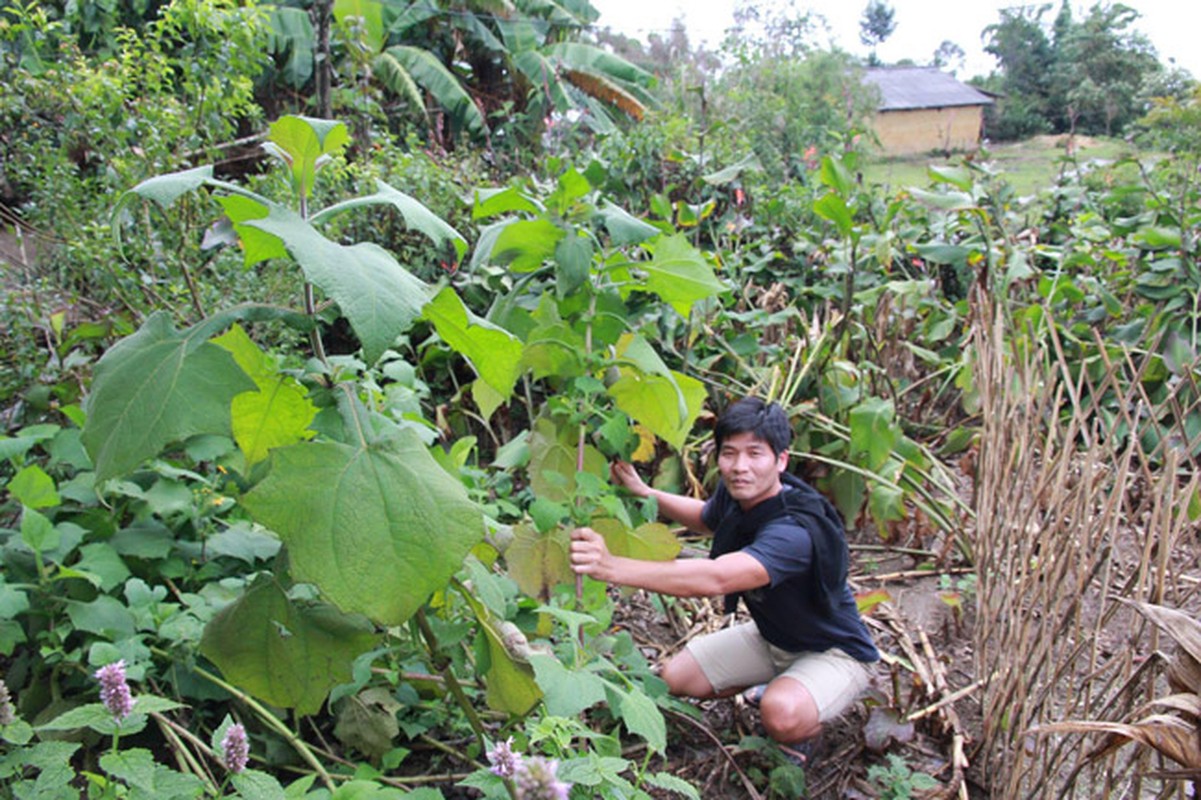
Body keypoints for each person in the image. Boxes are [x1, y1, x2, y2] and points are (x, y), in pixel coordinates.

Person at [569, 397, 878, 754]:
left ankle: (803, 731)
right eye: (729, 453)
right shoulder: (740, 497)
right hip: (773, 638)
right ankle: (785, 682)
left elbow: (717, 578)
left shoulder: (795, 530)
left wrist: (612, 567)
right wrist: (647, 492)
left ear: (781, 460)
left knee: (780, 714)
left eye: (754, 454)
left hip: (833, 652)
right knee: (675, 677)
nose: (739, 466)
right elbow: (706, 517)